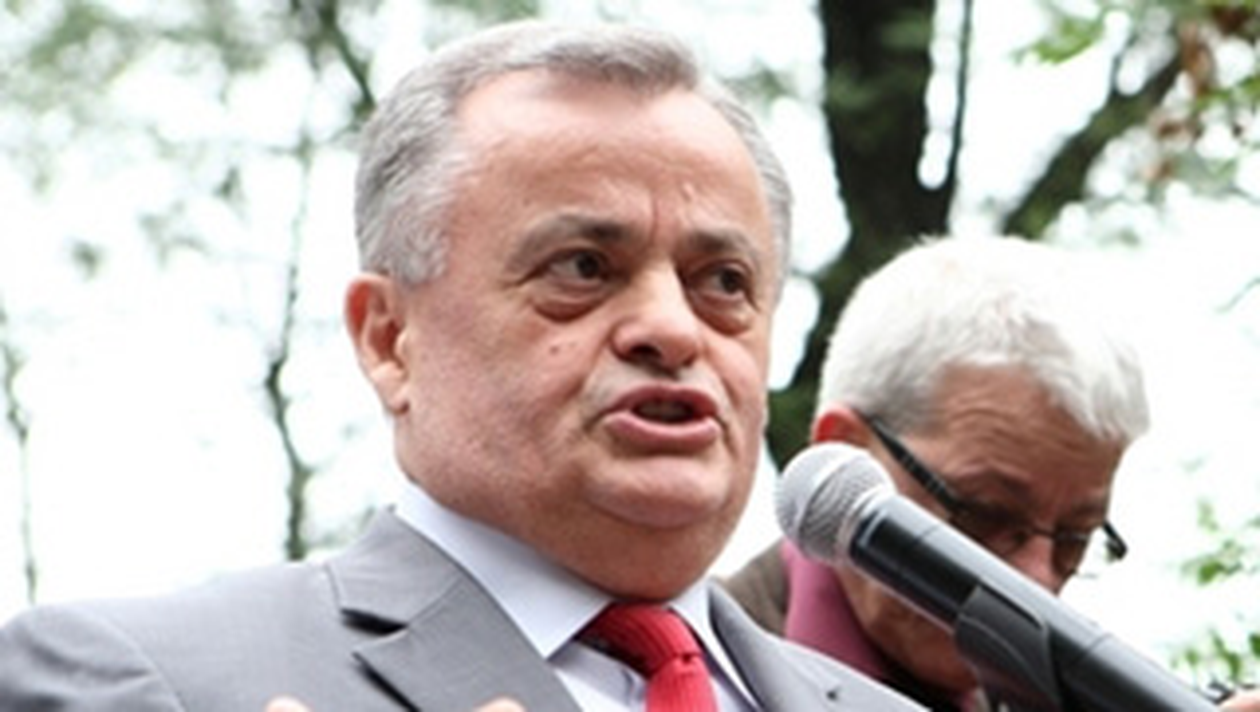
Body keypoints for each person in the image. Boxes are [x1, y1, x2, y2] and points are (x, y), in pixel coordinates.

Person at [0, 20, 924, 712]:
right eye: (583, 268)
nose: (669, 329)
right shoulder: (143, 680)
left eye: (722, 282)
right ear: (388, 339)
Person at [724, 235, 1260, 711]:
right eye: (987, 516)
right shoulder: (692, 675)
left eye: (1074, 539)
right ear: (845, 448)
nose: (1037, 582)